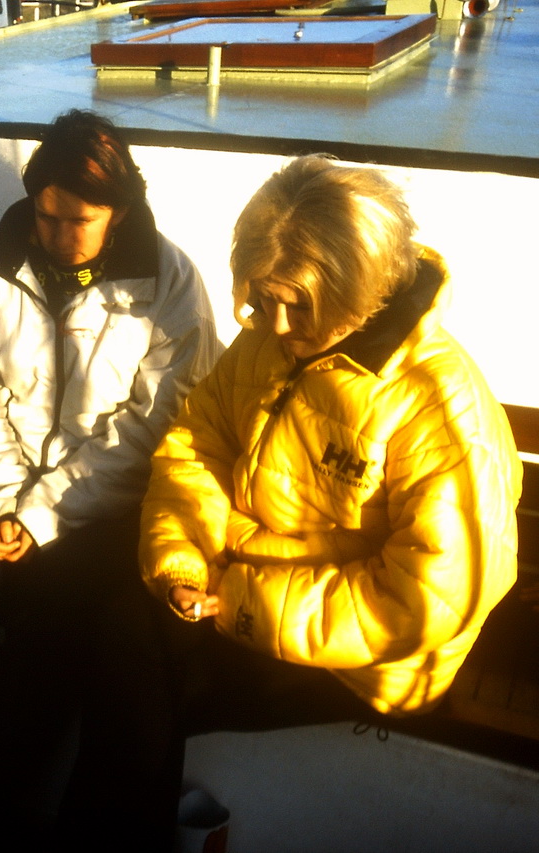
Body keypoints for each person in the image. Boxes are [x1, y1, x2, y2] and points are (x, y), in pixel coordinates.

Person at [139, 155, 521, 839]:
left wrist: (238, 599)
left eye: (300, 306)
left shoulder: (438, 406)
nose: (278, 325)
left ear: (361, 289)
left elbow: (425, 598)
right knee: (108, 631)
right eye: (264, 299)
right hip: (237, 590)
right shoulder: (266, 344)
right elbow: (195, 447)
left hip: (365, 664)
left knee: (142, 682)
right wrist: (182, 561)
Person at [0, 109, 221, 844]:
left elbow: (151, 432)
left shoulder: (170, 286)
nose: (59, 237)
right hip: (5, 505)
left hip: (114, 515)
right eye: (46, 216)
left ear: (117, 211)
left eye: (80, 221)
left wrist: (38, 515)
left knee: (65, 643)